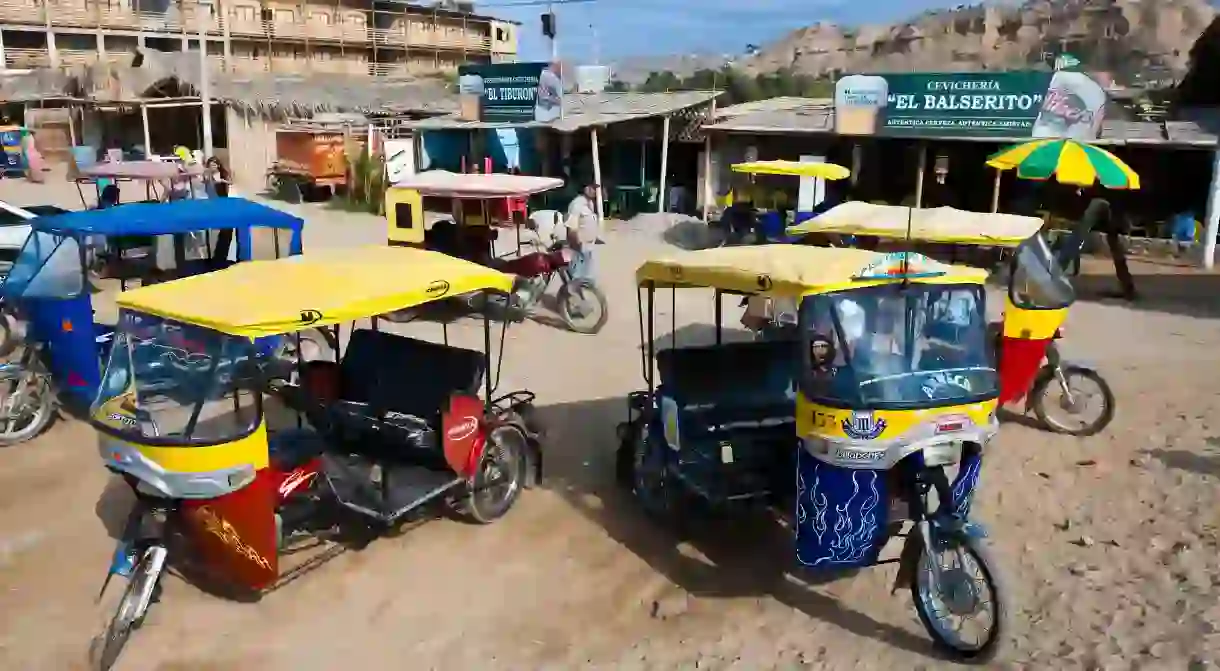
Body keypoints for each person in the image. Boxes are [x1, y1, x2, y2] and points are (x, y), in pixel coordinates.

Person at [563, 181, 600, 280]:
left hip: (588, 247)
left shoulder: (590, 203)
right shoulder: (577, 204)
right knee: (578, 279)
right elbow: (571, 228)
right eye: (592, 188)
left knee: (586, 279)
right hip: (579, 247)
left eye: (595, 188)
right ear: (585, 188)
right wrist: (576, 248)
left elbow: (587, 223)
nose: (594, 191)